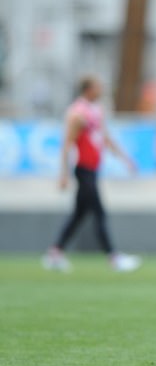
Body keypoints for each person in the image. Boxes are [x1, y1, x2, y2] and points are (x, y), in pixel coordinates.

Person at [42, 75, 141, 273]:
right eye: (98, 87)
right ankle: (114, 257)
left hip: (92, 169)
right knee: (99, 212)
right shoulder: (77, 114)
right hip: (83, 169)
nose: (101, 90)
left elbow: (104, 137)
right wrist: (63, 174)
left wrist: (124, 159)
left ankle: (55, 253)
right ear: (88, 89)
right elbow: (67, 144)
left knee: (79, 214)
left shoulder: (95, 111)